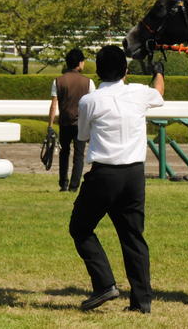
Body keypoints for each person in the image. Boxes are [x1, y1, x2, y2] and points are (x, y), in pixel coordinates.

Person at [68, 45, 164, 313]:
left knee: (81, 228)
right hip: (134, 174)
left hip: (104, 173)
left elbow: (83, 135)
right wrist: (158, 72)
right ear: (126, 70)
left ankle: (104, 284)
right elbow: (158, 93)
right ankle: (142, 301)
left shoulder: (90, 100)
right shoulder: (138, 93)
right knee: (133, 237)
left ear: (98, 72)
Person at [48, 48, 95, 192]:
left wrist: (50, 125)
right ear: (80, 63)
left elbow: (54, 105)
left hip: (64, 122)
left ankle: (63, 184)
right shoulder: (89, 82)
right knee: (79, 155)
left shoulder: (58, 81)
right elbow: (93, 105)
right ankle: (74, 186)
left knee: (64, 153)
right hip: (81, 124)